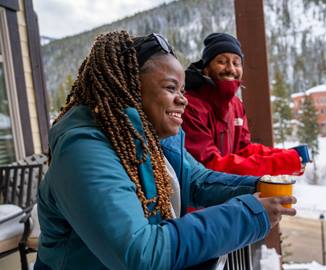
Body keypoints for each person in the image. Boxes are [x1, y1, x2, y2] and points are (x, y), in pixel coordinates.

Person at [35, 31, 296, 270]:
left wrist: (258, 186)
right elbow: (140, 253)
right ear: (131, 89)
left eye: (182, 89)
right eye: (171, 88)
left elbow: (197, 181)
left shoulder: (151, 136)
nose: (183, 99)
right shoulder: (83, 153)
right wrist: (247, 214)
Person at [182, 33, 309, 176]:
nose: (231, 69)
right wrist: (281, 163)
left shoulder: (236, 105)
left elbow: (244, 150)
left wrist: (286, 155)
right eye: (222, 62)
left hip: (228, 188)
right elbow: (210, 165)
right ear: (206, 68)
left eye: (236, 63)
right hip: (201, 194)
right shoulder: (190, 106)